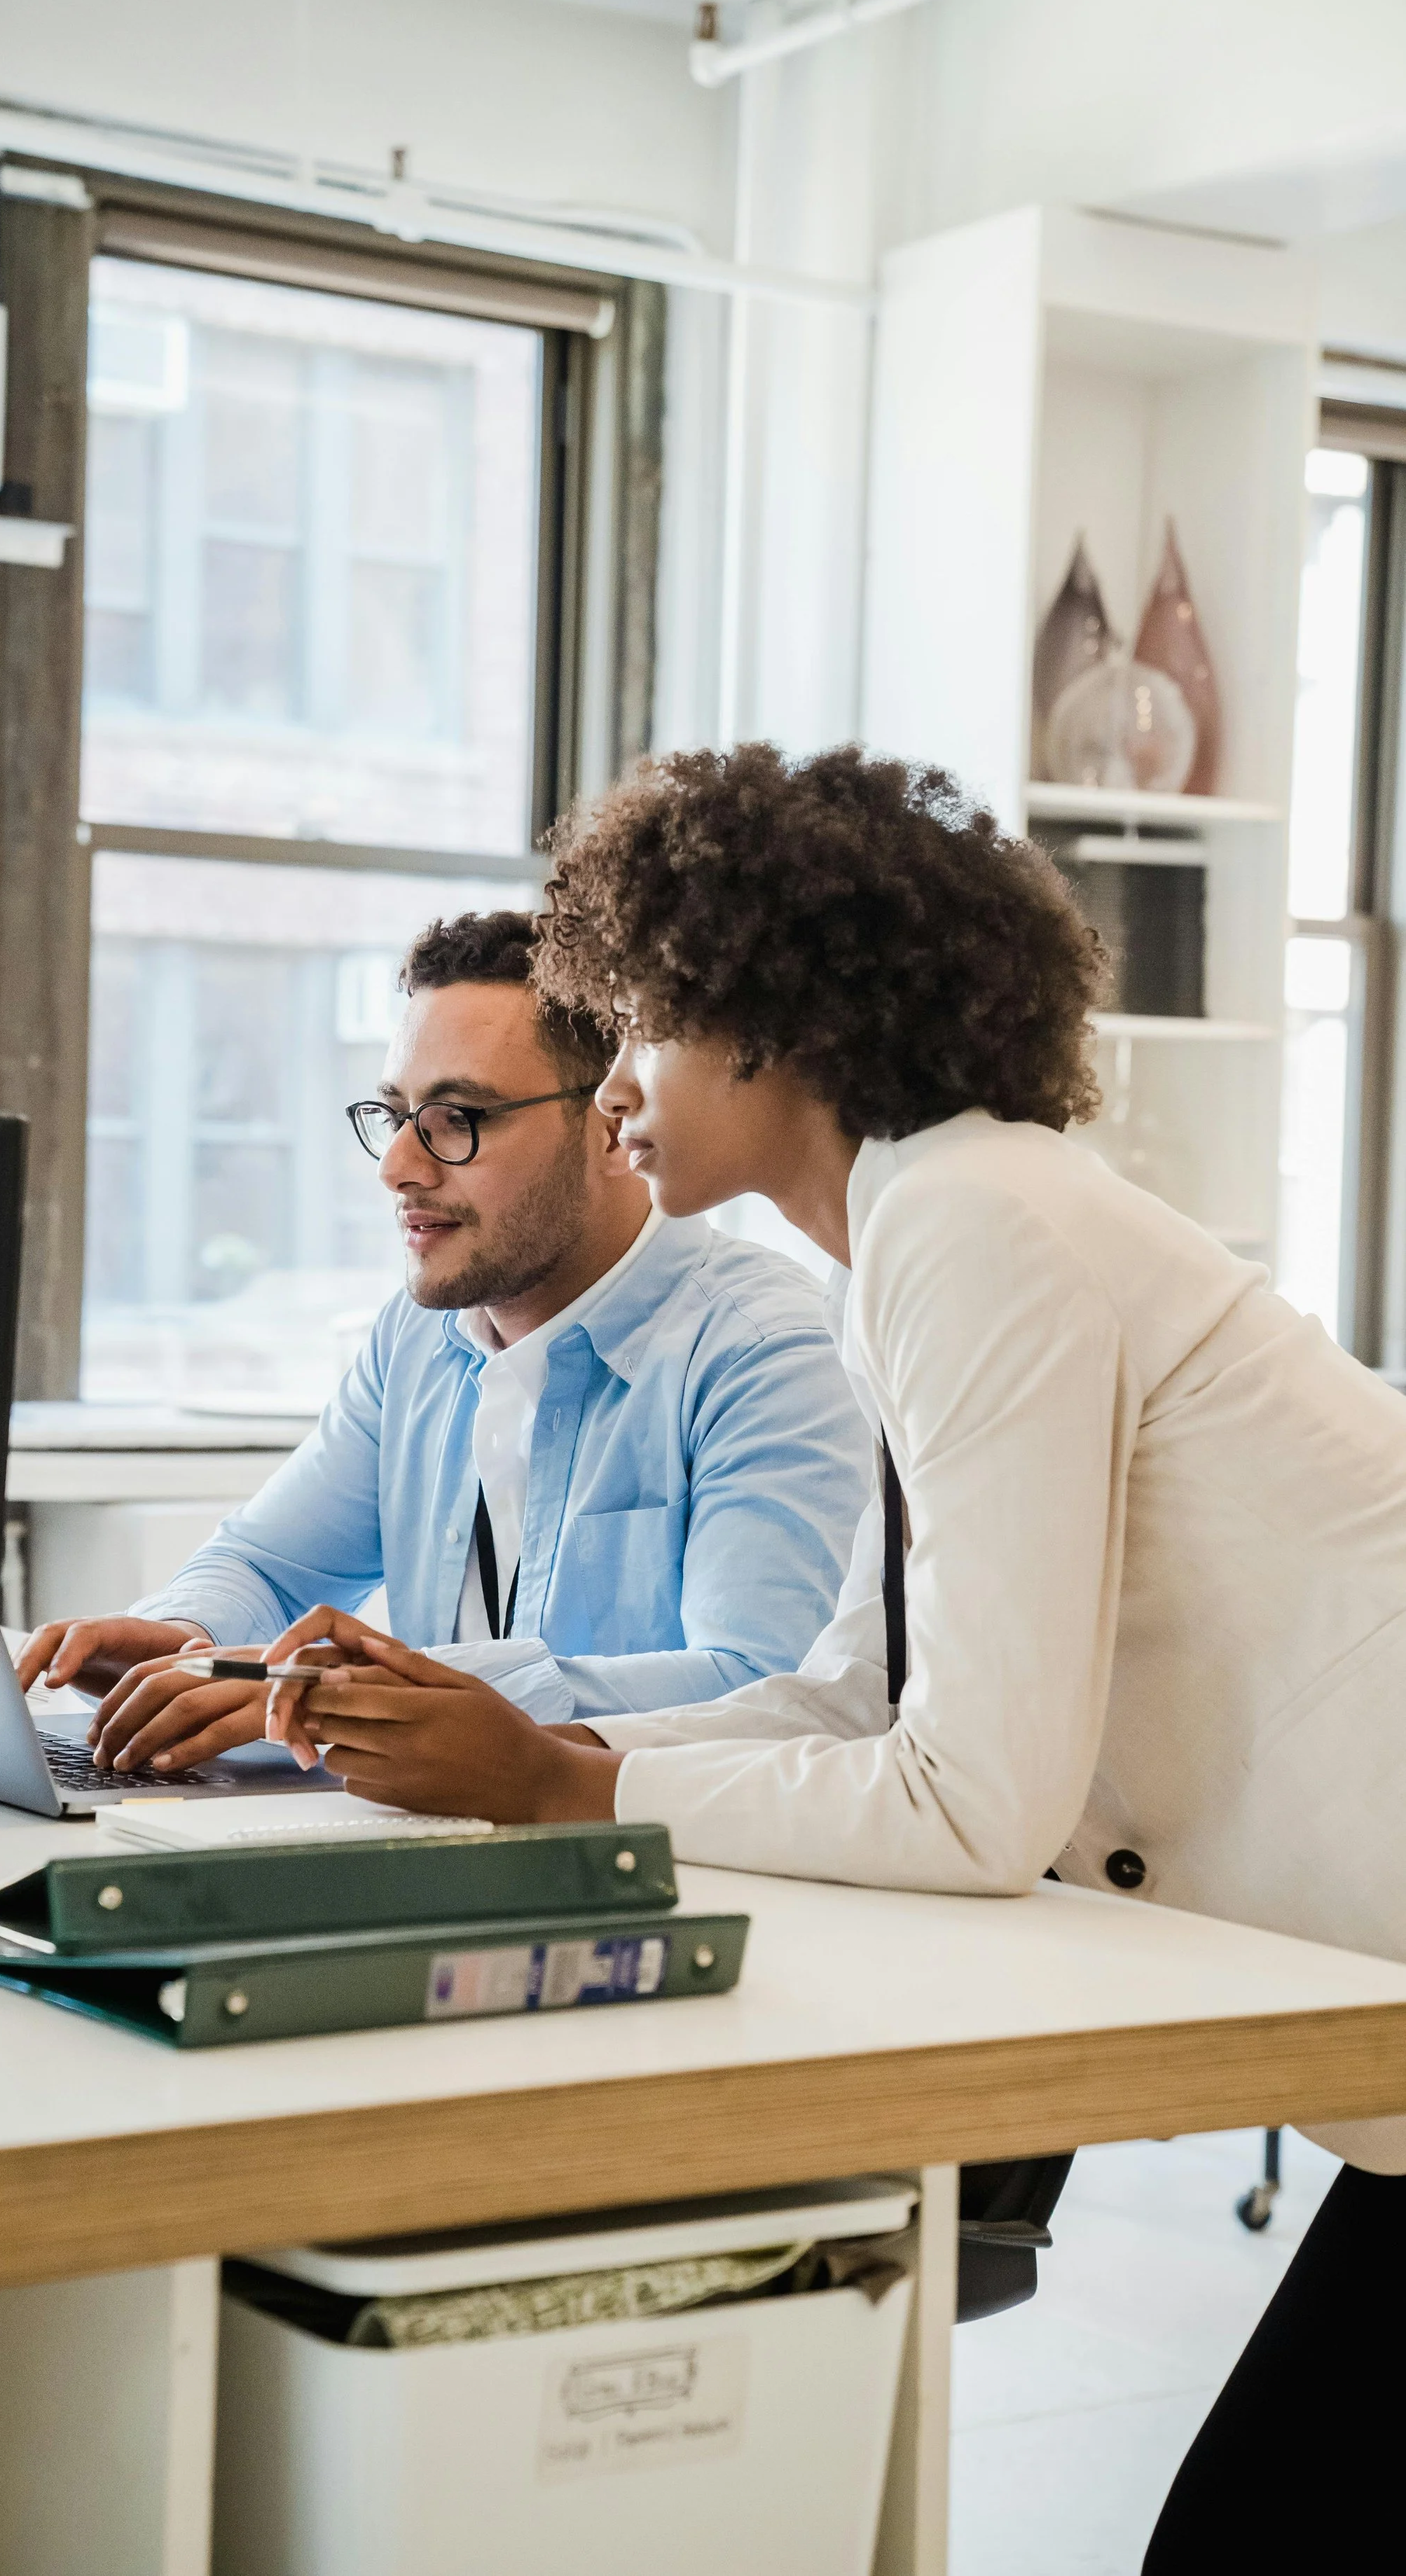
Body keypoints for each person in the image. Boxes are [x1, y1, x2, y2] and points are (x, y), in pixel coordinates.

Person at [272, 745, 1406, 2568]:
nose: (617, 1076)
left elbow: (970, 1799)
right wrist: (529, 1736)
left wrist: (568, 1782)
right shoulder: (930, 1232)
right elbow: (856, 1698)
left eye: (641, 1017)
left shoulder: (967, 1224)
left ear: (774, 1015)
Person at [20, 906, 870, 1772]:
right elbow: (269, 1567)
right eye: (395, 1113)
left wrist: (366, 1693)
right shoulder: (419, 1337)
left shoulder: (766, 1351)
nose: (398, 1165)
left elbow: (766, 1686)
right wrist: (188, 1637)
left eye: (457, 1116)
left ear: (614, 1124)